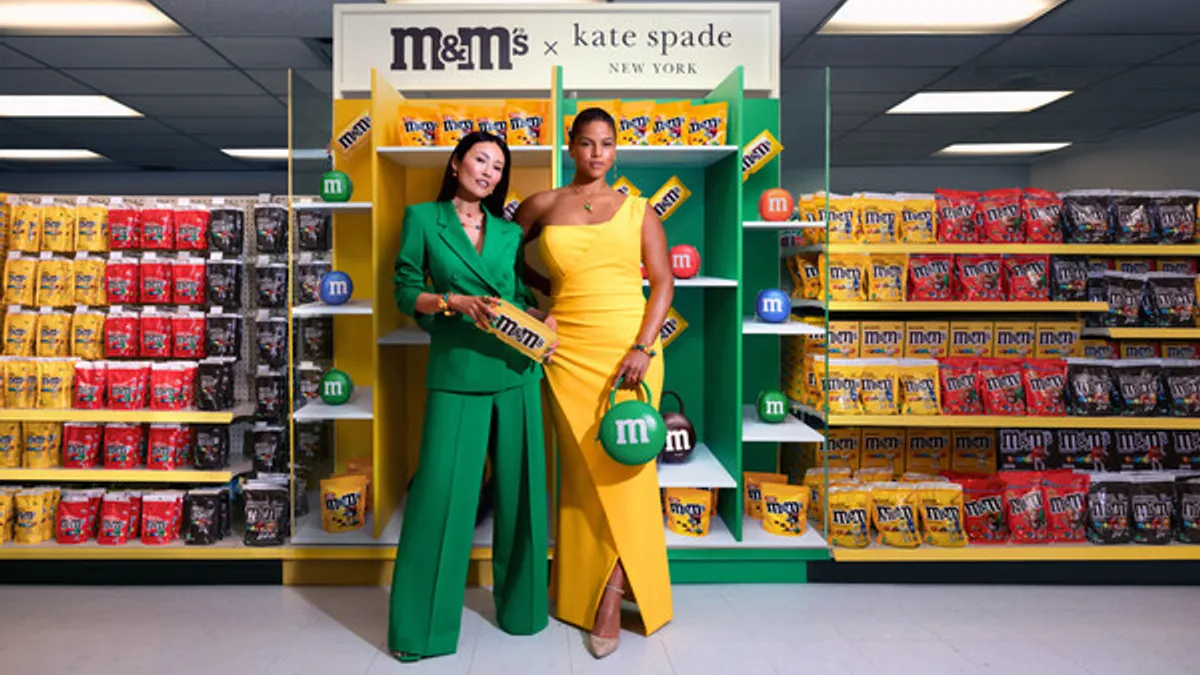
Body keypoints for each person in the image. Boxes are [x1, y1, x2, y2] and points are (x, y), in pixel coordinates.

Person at [389, 131, 555, 661]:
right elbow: (403, 289)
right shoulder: (422, 219)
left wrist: (540, 317)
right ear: (457, 162)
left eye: (498, 167)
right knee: (439, 501)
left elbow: (519, 294)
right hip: (457, 373)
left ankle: (524, 611)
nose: (488, 171)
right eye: (481, 159)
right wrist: (450, 302)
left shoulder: (508, 232)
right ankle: (421, 633)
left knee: (524, 496)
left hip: (517, 369)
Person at [515, 107, 675, 659]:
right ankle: (596, 584)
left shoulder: (640, 210)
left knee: (627, 475)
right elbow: (505, 263)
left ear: (616, 149)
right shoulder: (539, 205)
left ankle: (610, 596)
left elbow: (663, 284)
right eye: (586, 143)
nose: (597, 154)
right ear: (570, 145)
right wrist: (541, 303)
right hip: (565, 355)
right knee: (583, 478)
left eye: (606, 144)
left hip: (630, 353)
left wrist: (643, 346)